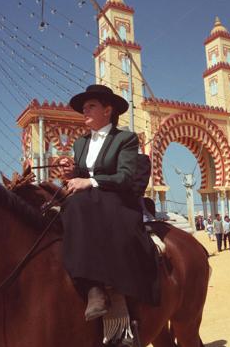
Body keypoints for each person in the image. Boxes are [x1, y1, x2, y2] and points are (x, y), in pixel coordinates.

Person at [60, 84, 159, 321]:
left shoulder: (125, 138)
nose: (85, 110)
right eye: (84, 107)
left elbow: (124, 177)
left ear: (107, 110)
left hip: (118, 201)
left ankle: (95, 288)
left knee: (75, 205)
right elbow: (81, 174)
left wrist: (89, 182)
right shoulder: (80, 143)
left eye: (90, 106)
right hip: (88, 199)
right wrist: (70, 173)